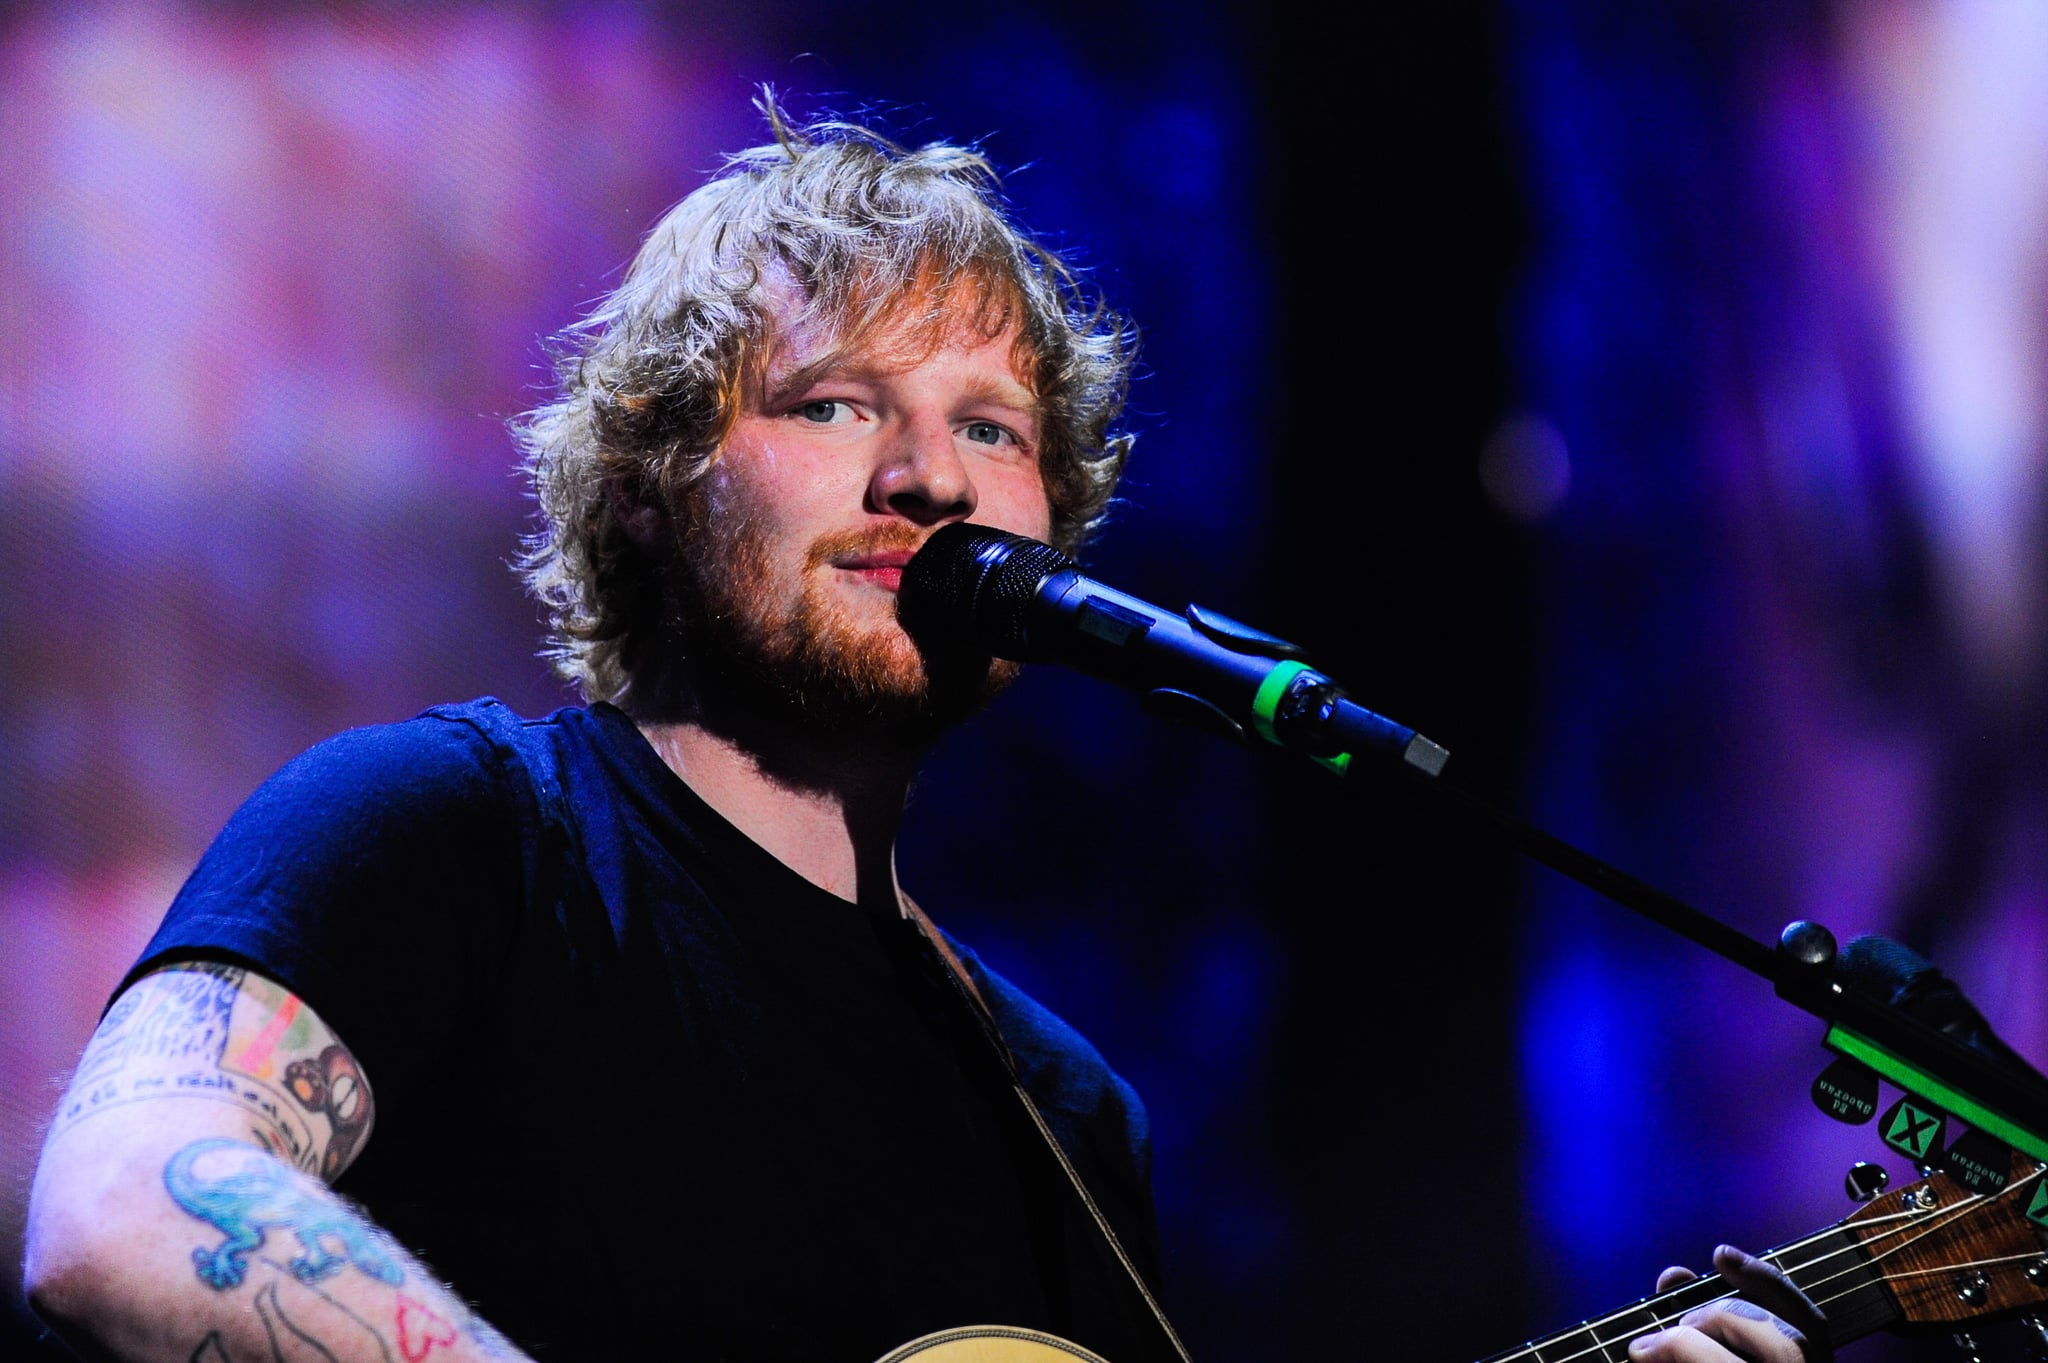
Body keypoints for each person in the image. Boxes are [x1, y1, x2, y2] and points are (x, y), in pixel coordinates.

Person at [21, 102, 1824, 1363]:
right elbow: (122, 1215)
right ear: (650, 486)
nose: (926, 481)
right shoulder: (451, 827)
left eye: (988, 429)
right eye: (832, 405)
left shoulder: (1064, 1112)